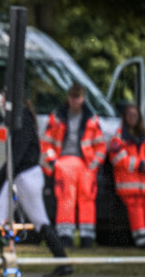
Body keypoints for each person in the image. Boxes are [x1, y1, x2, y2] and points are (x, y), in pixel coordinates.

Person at [0, 97, 73, 277]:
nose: (1, 99)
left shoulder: (22, 120)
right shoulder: (20, 119)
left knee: (38, 221)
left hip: (24, 177)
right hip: (21, 177)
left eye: (5, 95)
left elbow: (16, 155)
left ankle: (63, 262)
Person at [41, 83, 107, 248]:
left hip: (85, 164)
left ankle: (87, 237)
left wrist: (94, 165)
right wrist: (54, 162)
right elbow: (46, 142)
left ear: (83, 99)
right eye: (72, 97)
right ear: (68, 98)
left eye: (77, 97)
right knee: (65, 198)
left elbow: (100, 146)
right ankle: (65, 236)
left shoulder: (91, 119)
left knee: (87, 199)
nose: (74, 101)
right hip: (64, 162)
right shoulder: (57, 117)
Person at [108, 103, 145, 249]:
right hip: (131, 184)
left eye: (135, 115)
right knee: (137, 211)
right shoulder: (118, 137)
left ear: (139, 117)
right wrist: (140, 164)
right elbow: (118, 158)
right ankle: (143, 241)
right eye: (129, 115)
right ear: (124, 117)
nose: (132, 118)